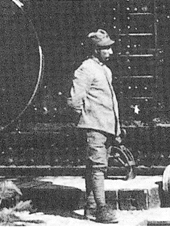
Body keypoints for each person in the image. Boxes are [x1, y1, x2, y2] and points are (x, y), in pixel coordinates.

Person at [68, 29, 122, 223]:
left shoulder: (105, 70)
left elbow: (110, 102)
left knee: (96, 168)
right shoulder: (86, 69)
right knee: (98, 168)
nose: (110, 52)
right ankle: (102, 209)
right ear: (95, 50)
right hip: (94, 127)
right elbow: (74, 101)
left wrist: (116, 129)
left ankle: (91, 209)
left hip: (105, 127)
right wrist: (86, 121)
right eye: (105, 48)